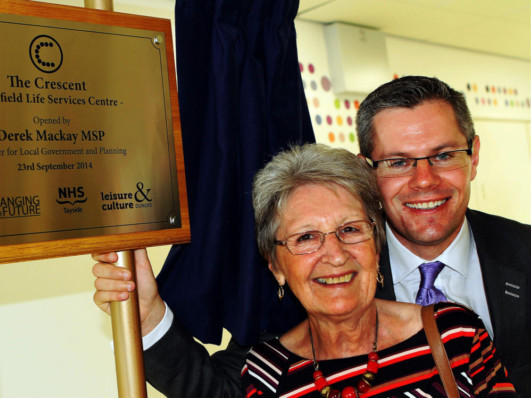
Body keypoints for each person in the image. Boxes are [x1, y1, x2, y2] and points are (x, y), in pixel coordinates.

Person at [92, 76, 531, 397]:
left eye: (443, 155)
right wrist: (147, 313)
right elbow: (215, 390)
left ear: (473, 156)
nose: (424, 181)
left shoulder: (464, 323)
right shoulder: (288, 328)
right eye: (398, 161)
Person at [241, 143, 513, 396]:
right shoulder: (267, 372)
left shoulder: (455, 336)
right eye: (306, 237)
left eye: (349, 229)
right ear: (275, 265)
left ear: (376, 244)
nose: (336, 256)